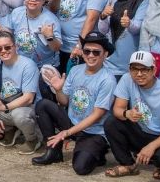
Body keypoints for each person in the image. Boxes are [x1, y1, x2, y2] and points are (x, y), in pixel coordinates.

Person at [31, 31, 115, 175]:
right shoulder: (76, 70)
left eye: (96, 52)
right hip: (73, 122)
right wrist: (58, 90)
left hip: (94, 131)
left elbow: (96, 116)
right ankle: (54, 152)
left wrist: (67, 132)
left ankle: (99, 153)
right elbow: (64, 101)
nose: (90, 55)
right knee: (43, 105)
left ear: (105, 54)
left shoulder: (108, 80)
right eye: (87, 51)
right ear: (82, 52)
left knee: (81, 168)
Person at [104, 51, 160, 179]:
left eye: (145, 69)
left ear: (154, 70)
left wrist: (151, 146)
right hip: (140, 132)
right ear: (129, 70)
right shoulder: (127, 79)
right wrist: (127, 113)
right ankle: (128, 164)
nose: (139, 74)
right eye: (134, 69)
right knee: (111, 122)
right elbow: (117, 109)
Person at [6, 0, 62, 99]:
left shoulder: (50, 19)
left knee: (42, 101)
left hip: (44, 67)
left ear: (43, 0)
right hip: (22, 65)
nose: (32, 0)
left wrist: (49, 36)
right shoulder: (17, 13)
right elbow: (9, 33)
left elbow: (57, 47)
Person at [99, 0, 148, 79]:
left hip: (131, 64)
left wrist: (129, 23)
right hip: (109, 63)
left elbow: (137, 28)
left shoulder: (143, 2)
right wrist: (103, 16)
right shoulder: (112, 0)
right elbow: (102, 30)